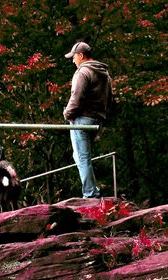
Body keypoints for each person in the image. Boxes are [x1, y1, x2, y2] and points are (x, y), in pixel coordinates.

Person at [62, 41, 113, 199]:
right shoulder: (104, 73)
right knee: (79, 156)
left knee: (82, 157)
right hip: (97, 119)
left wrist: (67, 114)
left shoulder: (83, 72)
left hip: (81, 120)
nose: (73, 60)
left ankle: (90, 193)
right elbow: (109, 99)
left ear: (81, 55)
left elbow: (76, 97)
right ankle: (92, 189)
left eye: (74, 57)